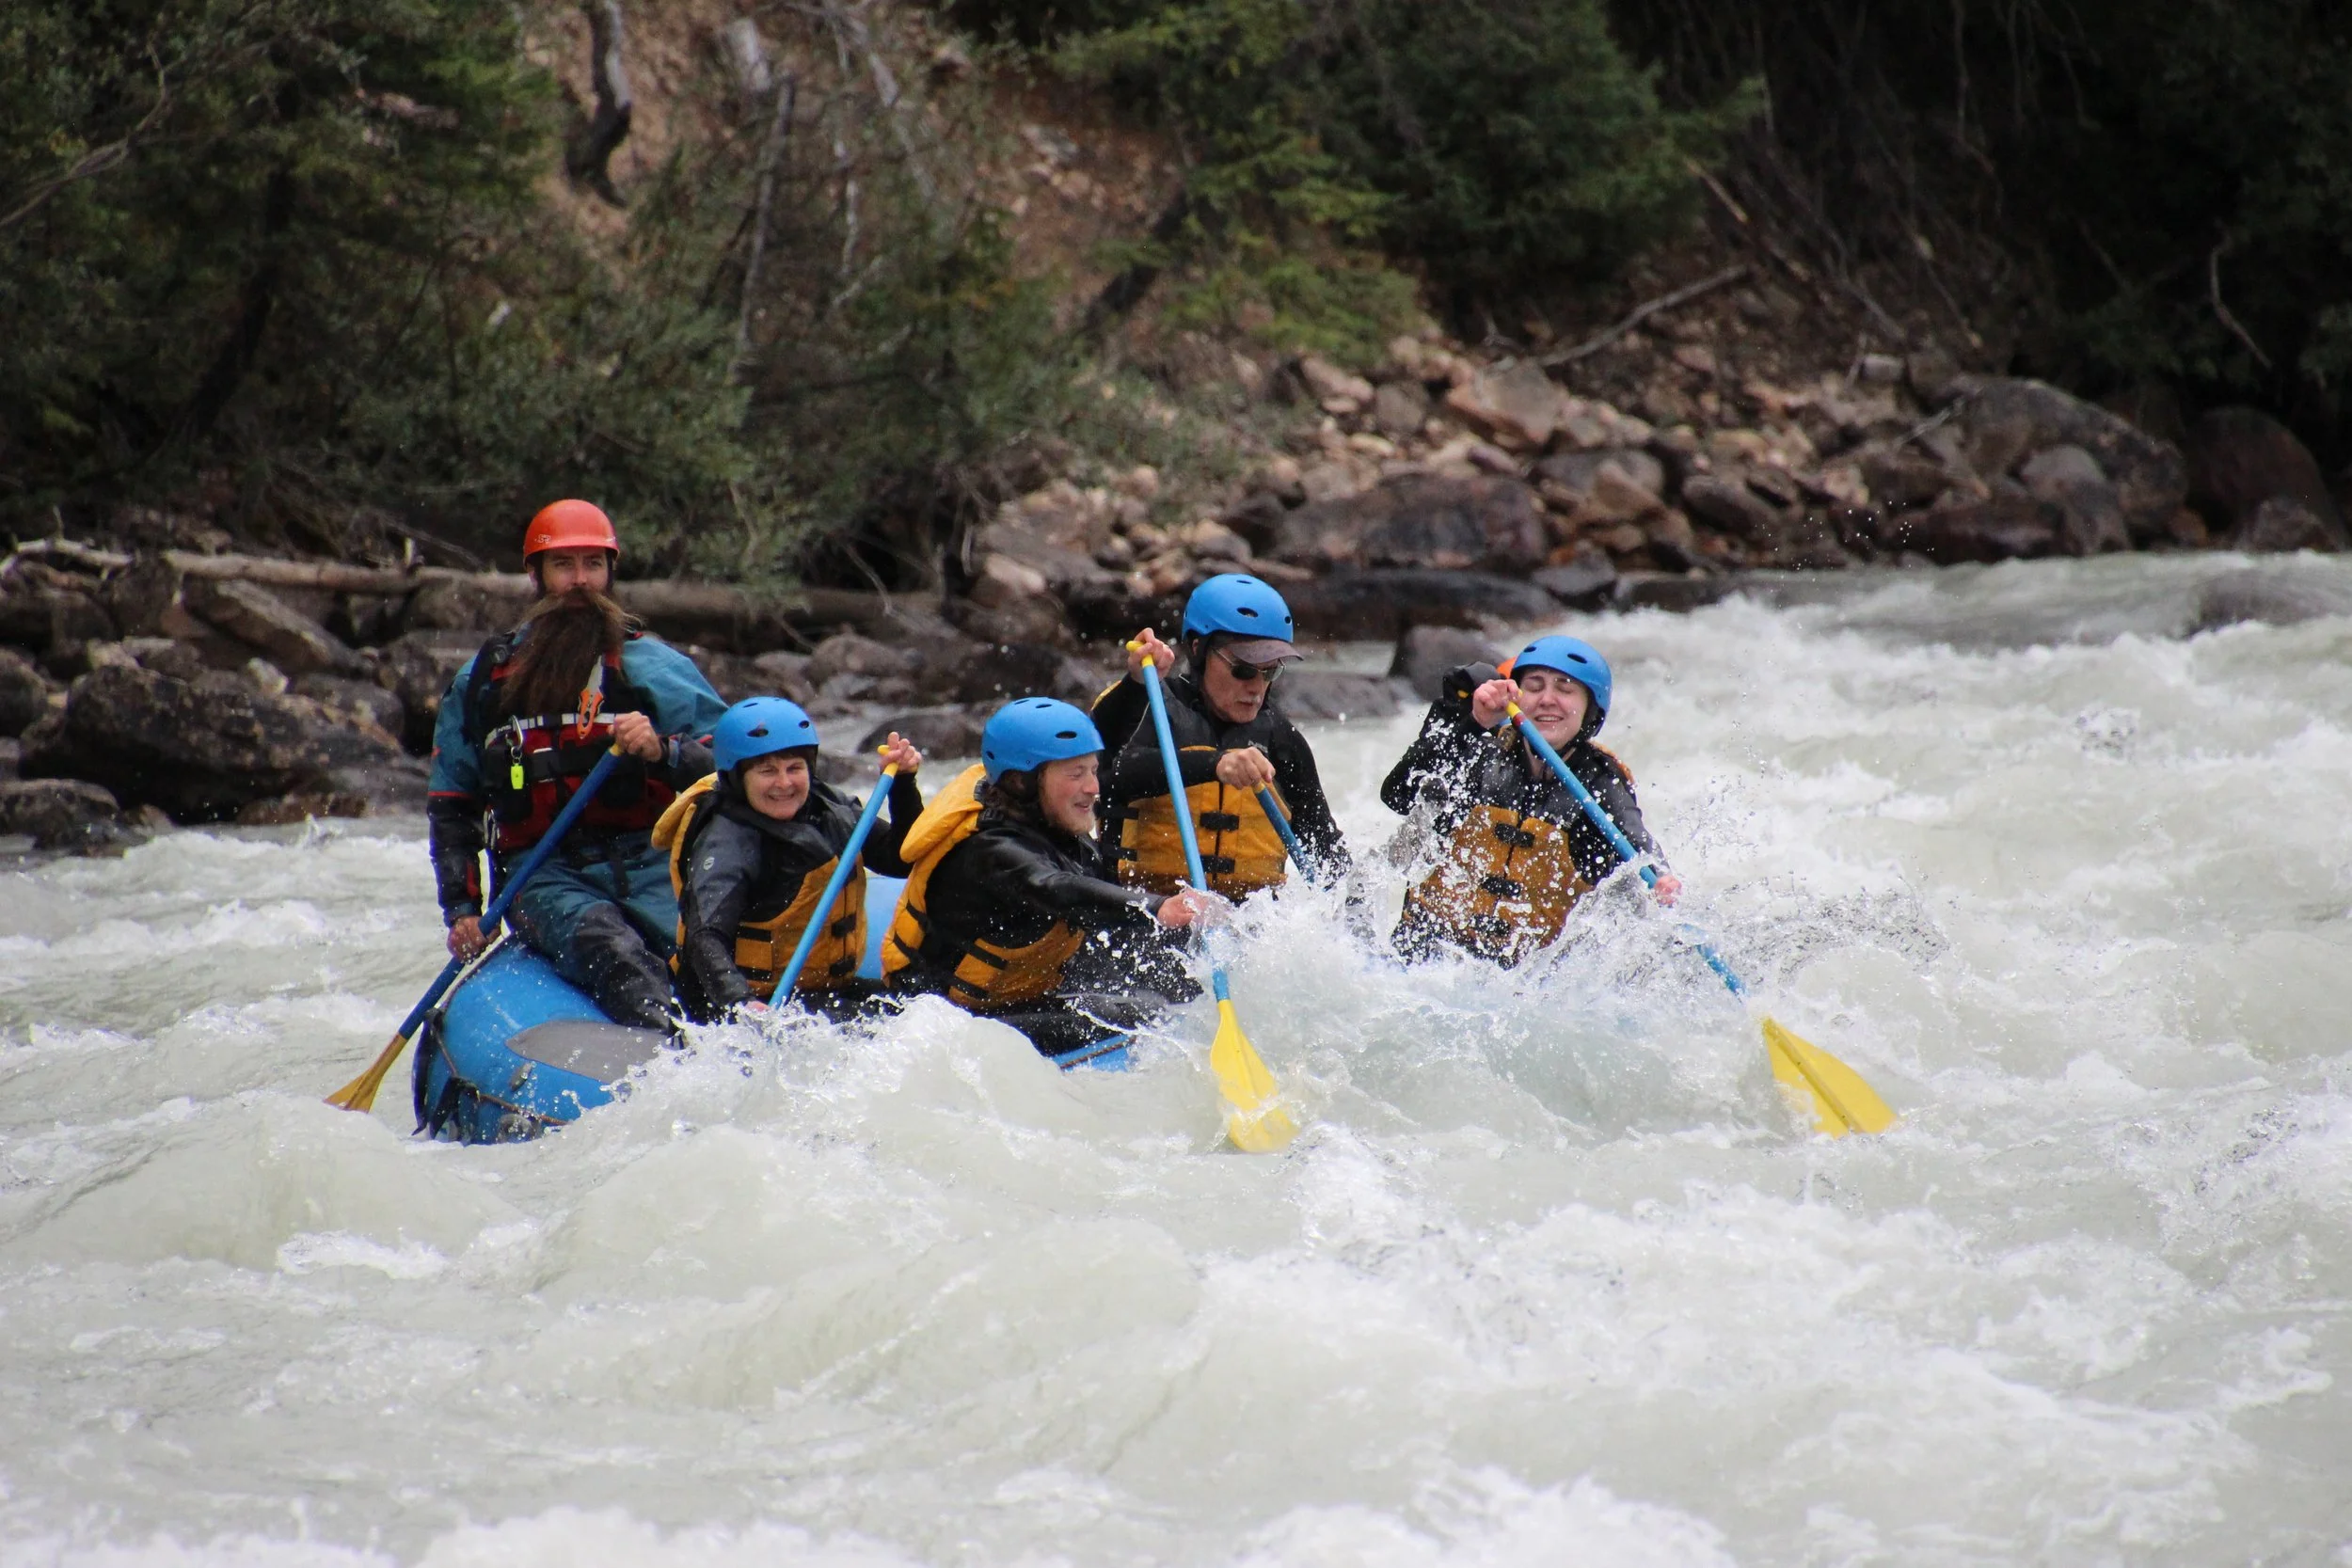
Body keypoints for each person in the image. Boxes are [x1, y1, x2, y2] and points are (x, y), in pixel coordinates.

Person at [427, 499, 728, 1031]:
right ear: (537, 575)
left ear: (610, 573)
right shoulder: (483, 683)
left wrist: (665, 749)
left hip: (650, 863)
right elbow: (453, 804)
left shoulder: (653, 668)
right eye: (564, 565)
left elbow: (734, 774)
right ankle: (669, 1055)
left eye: (593, 564)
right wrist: (462, 909)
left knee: (712, 964)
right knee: (613, 950)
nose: (580, 581)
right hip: (542, 874)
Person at [882, 697, 1212, 1062]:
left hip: (1020, 991)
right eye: (1075, 774)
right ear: (1021, 782)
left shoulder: (1051, 822)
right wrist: (1157, 906)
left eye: (1092, 770)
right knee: (1137, 1012)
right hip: (946, 1020)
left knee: (1175, 980)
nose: (1093, 787)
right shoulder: (991, 850)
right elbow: (1053, 887)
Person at [1381, 634, 1682, 967]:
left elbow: (1634, 838)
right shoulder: (1477, 754)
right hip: (1425, 961)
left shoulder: (1600, 780)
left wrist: (1659, 877)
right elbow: (1398, 794)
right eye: (1535, 687)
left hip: (1524, 978)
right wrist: (1473, 721)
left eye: (1565, 689)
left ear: (1590, 709)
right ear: (1516, 698)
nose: (1547, 700)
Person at [656, 697, 925, 1022]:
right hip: (747, 1002)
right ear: (738, 777)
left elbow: (901, 859)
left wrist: (904, 785)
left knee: (916, 1009)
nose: (784, 783)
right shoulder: (727, 842)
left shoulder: (829, 810)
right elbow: (706, 937)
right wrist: (740, 1002)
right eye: (767, 771)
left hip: (815, 990)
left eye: (794, 768)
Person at [1092, 573, 1347, 902]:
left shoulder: (1281, 739)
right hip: (1150, 914)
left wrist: (1354, 920)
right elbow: (1110, 774)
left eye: (1270, 671)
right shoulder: (1148, 705)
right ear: (1198, 649)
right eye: (1243, 669)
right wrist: (1214, 764)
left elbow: (1325, 849)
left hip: (1247, 929)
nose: (1256, 686)